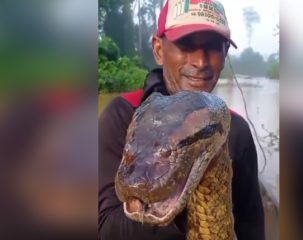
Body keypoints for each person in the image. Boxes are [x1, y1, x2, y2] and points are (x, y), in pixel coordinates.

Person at [98, 0, 265, 239]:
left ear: (225, 53)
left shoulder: (235, 129)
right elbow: (104, 228)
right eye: (185, 44)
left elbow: (251, 229)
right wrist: (174, 189)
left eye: (214, 46)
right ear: (158, 50)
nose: (200, 62)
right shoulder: (123, 114)